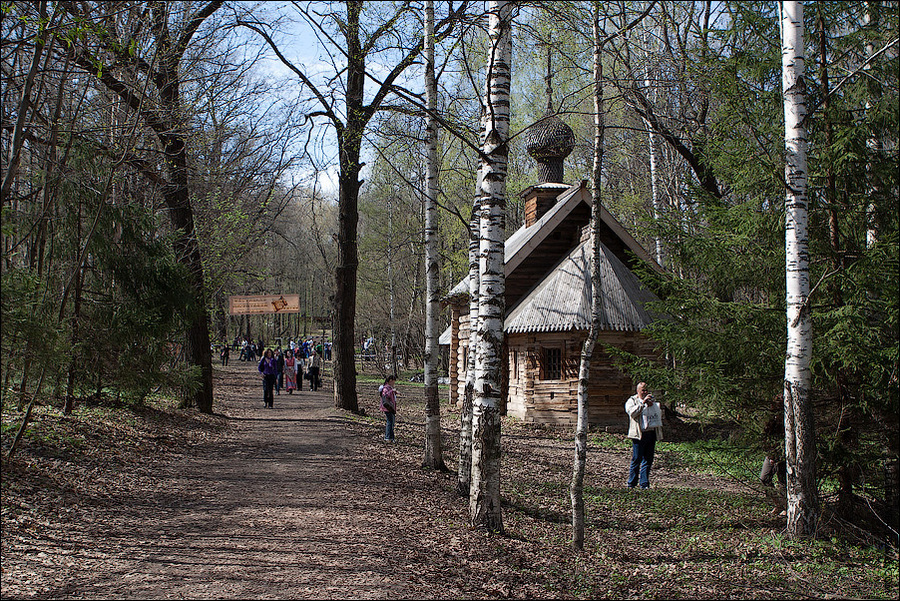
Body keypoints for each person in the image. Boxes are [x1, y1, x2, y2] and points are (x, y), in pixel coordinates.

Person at [625, 382, 663, 489]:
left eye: (646, 390)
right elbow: (632, 413)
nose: (645, 392)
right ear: (638, 391)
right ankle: (631, 483)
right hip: (638, 434)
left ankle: (644, 483)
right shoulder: (632, 401)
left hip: (651, 433)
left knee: (648, 459)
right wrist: (642, 403)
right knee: (637, 458)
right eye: (643, 390)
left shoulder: (651, 400)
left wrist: (652, 404)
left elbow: (658, 413)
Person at [379, 375, 399, 442]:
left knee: (392, 422)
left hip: (391, 408)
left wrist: (394, 392)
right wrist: (392, 391)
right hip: (387, 408)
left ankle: (391, 438)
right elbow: (385, 395)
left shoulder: (389, 387)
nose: (394, 383)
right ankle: (388, 437)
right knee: (390, 422)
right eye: (394, 381)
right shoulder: (386, 388)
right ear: (390, 380)